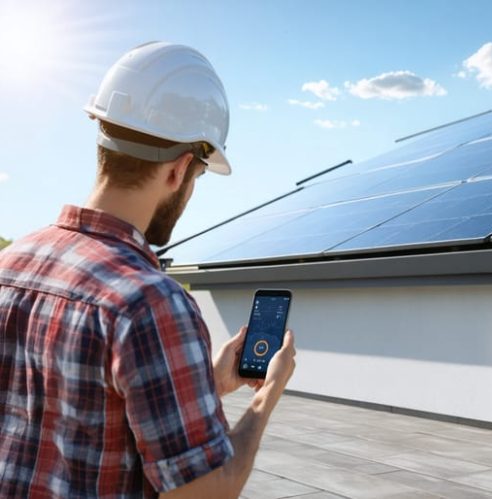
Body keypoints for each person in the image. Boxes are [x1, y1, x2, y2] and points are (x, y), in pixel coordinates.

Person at [0, 42, 296, 497]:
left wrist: (209, 384)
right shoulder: (151, 304)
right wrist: (266, 397)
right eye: (197, 177)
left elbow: (72, 414)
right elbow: (207, 491)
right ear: (179, 171)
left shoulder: (11, 263)